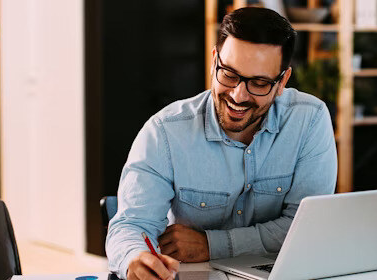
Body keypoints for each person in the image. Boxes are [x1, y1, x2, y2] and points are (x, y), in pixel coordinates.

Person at [106, 7, 338, 280]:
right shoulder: (165, 132)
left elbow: (304, 228)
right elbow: (131, 225)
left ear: (282, 81)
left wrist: (210, 245)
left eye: (260, 83)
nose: (239, 95)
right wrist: (135, 257)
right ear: (214, 59)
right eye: (229, 74)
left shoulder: (309, 119)